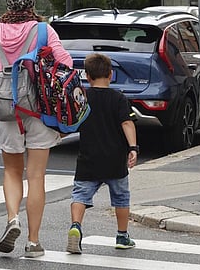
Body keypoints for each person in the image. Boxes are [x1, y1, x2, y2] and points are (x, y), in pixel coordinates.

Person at [0, 0, 73, 258]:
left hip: (6, 112)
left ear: (7, 3)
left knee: (12, 171)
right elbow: (66, 64)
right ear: (31, 2)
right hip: (39, 110)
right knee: (36, 176)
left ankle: (12, 218)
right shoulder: (44, 30)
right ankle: (33, 242)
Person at [66, 53, 138, 254]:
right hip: (115, 159)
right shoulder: (119, 98)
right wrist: (133, 147)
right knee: (121, 198)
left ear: (87, 76)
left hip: (88, 157)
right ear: (111, 74)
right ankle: (122, 236)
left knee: (80, 195)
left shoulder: (83, 97)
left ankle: (75, 227)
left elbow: (71, 123)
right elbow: (127, 122)